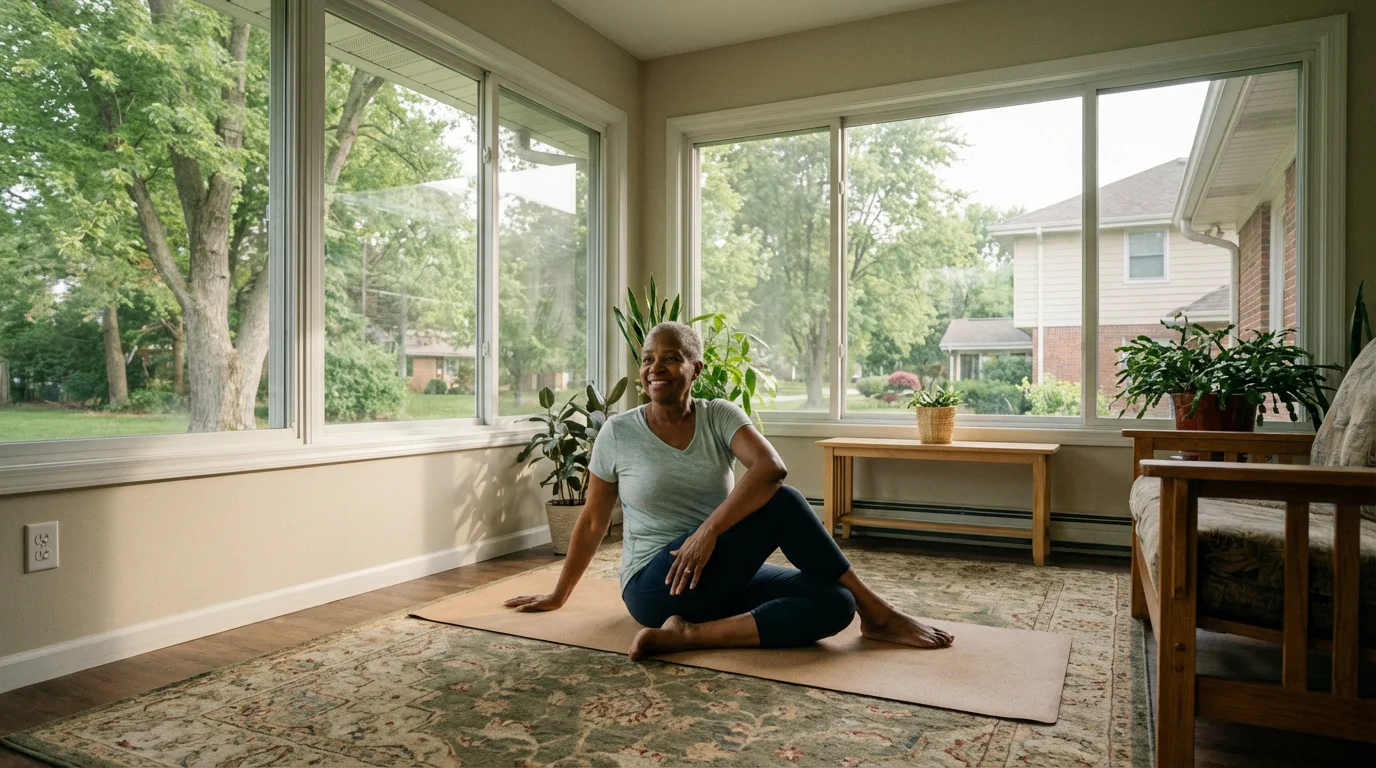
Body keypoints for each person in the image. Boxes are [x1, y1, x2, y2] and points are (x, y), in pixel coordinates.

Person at [503, 321, 954, 659]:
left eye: (671, 357)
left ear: (695, 368)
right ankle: (879, 612)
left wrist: (708, 533)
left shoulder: (718, 415)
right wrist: (558, 595)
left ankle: (691, 636)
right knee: (786, 505)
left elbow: (769, 466)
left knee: (835, 603)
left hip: (716, 572)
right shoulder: (618, 432)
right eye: (647, 359)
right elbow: (592, 521)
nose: (655, 367)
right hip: (656, 586)